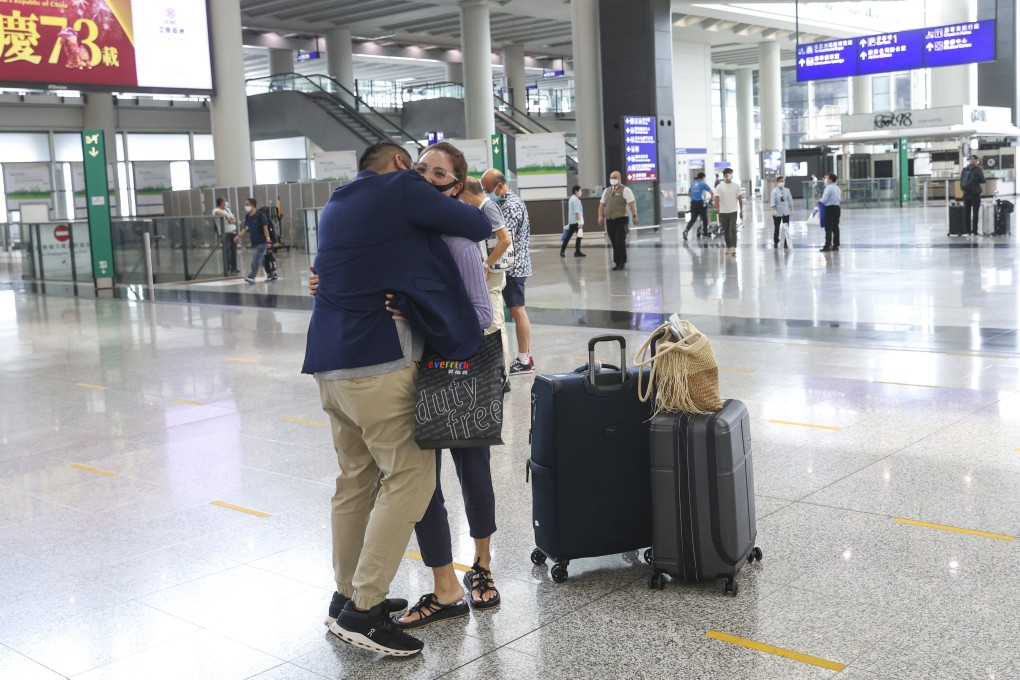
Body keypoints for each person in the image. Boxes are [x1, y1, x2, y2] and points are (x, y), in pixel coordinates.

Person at [302, 141, 491, 657]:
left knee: (355, 480)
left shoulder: (339, 202)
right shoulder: (400, 189)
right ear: (401, 167)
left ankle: (344, 597)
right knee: (411, 476)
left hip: (328, 364)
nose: (424, 178)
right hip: (376, 365)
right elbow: (478, 226)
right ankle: (364, 609)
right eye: (419, 169)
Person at [393, 144, 502, 629]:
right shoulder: (403, 234)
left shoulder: (459, 243)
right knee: (424, 485)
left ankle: (481, 565)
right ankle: (444, 582)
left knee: (471, 470)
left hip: (462, 367)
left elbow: (480, 317)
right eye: (421, 169)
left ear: (456, 187)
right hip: (413, 370)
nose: (427, 178)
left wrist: (418, 316)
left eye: (440, 173)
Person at [458, 176, 513, 383]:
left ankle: (501, 376)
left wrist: (486, 264)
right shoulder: (483, 208)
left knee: (494, 323)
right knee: (494, 322)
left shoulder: (487, 207)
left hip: (493, 273)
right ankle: (500, 372)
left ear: (467, 194)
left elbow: (505, 239)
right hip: (490, 271)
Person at [481, 168, 535, 376]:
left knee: (517, 310)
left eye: (488, 189)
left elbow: (504, 239)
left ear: (500, 185)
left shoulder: (511, 206)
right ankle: (525, 356)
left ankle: (524, 359)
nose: (487, 193)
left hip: (515, 267)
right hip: (512, 266)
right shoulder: (506, 202)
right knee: (515, 310)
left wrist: (487, 263)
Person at [598, 171, 638, 270]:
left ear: (619, 179)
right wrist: (600, 216)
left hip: (621, 219)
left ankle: (622, 262)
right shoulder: (606, 191)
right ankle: (616, 262)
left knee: (620, 240)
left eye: (614, 177)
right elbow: (601, 205)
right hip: (610, 219)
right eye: (611, 177)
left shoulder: (625, 190)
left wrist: (634, 216)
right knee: (613, 241)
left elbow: (632, 204)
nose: (612, 179)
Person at [235, 198, 271, 284]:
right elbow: (246, 228)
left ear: (253, 205)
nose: (246, 206)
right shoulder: (248, 216)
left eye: (247, 204)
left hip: (262, 241)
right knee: (261, 260)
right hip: (254, 241)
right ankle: (272, 273)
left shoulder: (260, 215)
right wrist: (239, 236)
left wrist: (268, 240)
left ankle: (252, 277)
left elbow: (265, 228)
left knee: (256, 258)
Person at [713, 168, 743, 256]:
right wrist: (717, 209)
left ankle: (733, 247)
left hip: (733, 210)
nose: (731, 175)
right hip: (723, 211)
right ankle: (728, 246)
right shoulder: (720, 186)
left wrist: (741, 210)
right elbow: (717, 199)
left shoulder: (736, 186)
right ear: (725, 175)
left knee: (732, 229)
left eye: (731, 174)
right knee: (726, 230)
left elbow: (740, 199)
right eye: (729, 174)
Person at [212, 196, 240, 274]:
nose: (226, 202)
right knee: (227, 251)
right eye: (224, 201)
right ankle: (227, 268)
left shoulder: (228, 210)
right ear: (221, 202)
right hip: (225, 234)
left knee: (234, 251)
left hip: (233, 232)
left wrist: (230, 218)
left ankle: (234, 268)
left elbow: (234, 220)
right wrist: (227, 217)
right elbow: (218, 213)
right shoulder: (216, 210)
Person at [960, 154, 986, 236]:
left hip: (966, 194)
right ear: (976, 161)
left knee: (966, 213)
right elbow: (983, 180)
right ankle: (974, 231)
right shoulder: (978, 170)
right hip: (975, 194)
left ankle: (967, 231)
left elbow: (961, 181)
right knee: (975, 213)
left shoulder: (964, 170)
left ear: (969, 161)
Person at [683, 172, 713, 241]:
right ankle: (705, 235)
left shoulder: (693, 185)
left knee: (693, 219)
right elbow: (712, 193)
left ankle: (686, 231)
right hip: (700, 204)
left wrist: (694, 197)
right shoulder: (703, 184)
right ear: (703, 178)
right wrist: (711, 200)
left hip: (693, 204)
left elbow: (688, 194)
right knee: (704, 219)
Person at [818, 173, 842, 252]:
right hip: (837, 208)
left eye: (827, 178)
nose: (826, 179)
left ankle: (827, 245)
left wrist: (819, 201)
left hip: (830, 209)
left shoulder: (828, 188)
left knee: (828, 228)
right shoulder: (837, 188)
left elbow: (824, 199)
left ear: (831, 179)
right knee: (835, 227)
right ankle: (836, 245)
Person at [561, 185, 586, 257]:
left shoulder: (572, 198)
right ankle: (576, 252)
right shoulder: (575, 200)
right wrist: (579, 222)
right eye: (580, 191)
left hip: (572, 221)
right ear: (576, 191)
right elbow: (577, 212)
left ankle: (567, 251)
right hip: (576, 222)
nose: (581, 192)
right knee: (577, 236)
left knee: (572, 236)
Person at [769, 176, 793, 249]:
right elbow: (772, 201)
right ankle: (776, 241)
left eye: (783, 181)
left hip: (785, 211)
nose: (782, 183)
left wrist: (791, 209)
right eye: (780, 181)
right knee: (777, 227)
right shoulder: (774, 191)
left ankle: (786, 242)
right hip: (777, 211)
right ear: (777, 182)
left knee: (786, 227)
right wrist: (774, 210)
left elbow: (790, 200)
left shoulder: (787, 190)